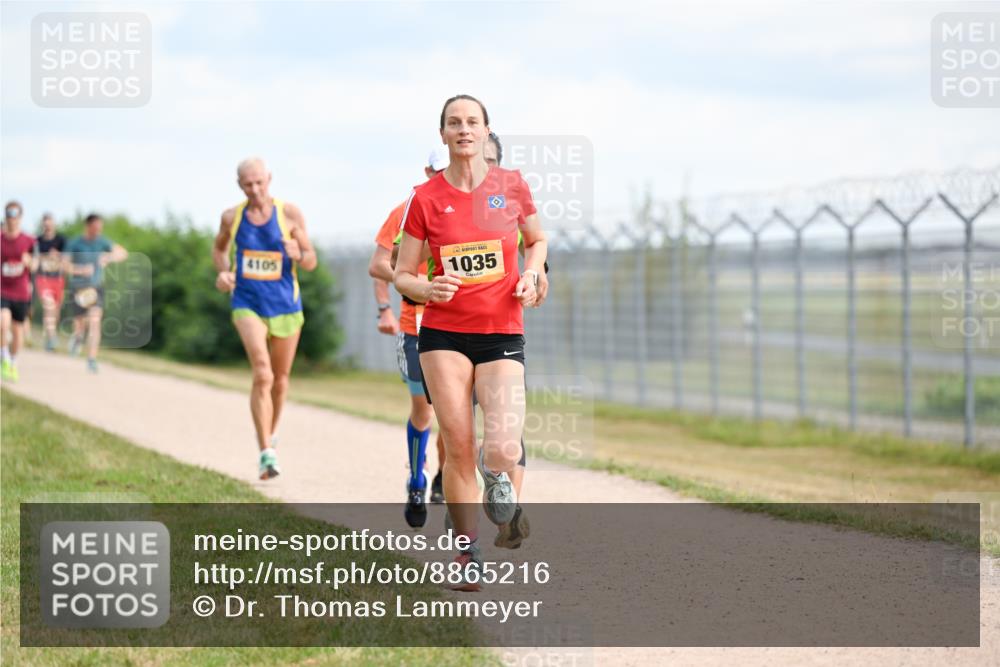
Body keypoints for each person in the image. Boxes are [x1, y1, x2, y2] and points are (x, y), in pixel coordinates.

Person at [394, 94, 547, 590]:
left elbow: (537, 241)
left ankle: (499, 479)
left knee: (501, 446)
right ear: (442, 135)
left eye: (472, 122)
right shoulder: (425, 197)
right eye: (454, 123)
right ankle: (467, 553)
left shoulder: (512, 186)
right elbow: (402, 274)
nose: (464, 130)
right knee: (459, 446)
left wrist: (532, 272)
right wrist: (425, 287)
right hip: (442, 334)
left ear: (486, 132)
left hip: (502, 331)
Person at [213, 157, 318, 480]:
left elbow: (311, 260)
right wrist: (223, 274)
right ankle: (265, 453)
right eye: (248, 184)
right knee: (263, 373)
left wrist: (297, 253)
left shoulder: (290, 213)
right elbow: (219, 251)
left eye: (260, 182)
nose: (255, 189)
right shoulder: (232, 216)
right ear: (240, 185)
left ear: (269, 179)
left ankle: (269, 437)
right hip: (248, 303)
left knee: (281, 379)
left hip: (286, 305)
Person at [369, 146, 450, 529]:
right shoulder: (404, 210)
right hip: (415, 325)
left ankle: (446, 481)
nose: (444, 179)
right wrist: (398, 296)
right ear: (427, 171)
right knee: (425, 410)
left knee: (455, 415)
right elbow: (378, 265)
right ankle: (417, 480)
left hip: (460, 325)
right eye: (438, 172)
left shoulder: (474, 211)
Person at [64, 214, 128, 372]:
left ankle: (91, 359)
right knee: (80, 323)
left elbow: (122, 253)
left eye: (100, 228)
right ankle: (78, 337)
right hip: (78, 287)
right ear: (88, 226)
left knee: (94, 321)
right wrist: (79, 270)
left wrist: (109, 257)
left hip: (95, 287)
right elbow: (64, 265)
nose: (98, 231)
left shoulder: (102, 242)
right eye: (96, 228)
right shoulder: (75, 243)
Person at [1, 201, 36, 381]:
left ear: (20, 218)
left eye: (15, 217)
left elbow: (37, 265)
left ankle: (13, 362)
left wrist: (29, 262)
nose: (11, 220)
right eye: (8, 216)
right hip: (3, 289)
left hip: (21, 292)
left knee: (17, 331)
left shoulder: (29, 241)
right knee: (2, 322)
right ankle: (4, 357)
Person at [34, 213, 67, 351]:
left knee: (56, 311)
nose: (48, 226)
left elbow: (68, 259)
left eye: (50, 223)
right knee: (49, 306)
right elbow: (34, 259)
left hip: (58, 279)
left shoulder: (62, 240)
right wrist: (44, 257)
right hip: (43, 278)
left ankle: (49, 337)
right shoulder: (37, 241)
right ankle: (52, 337)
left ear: (54, 224)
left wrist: (58, 256)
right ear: (43, 225)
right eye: (45, 223)